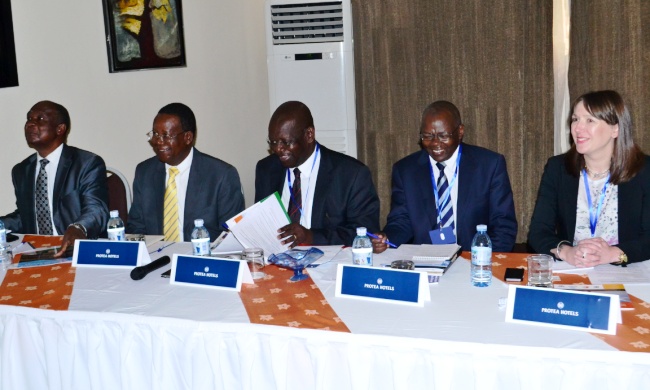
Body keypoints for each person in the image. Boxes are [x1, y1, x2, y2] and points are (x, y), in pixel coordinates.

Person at [372, 100, 517, 253]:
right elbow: (401, 221)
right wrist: (387, 238)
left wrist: (484, 263)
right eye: (427, 136)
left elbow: (503, 224)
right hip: (424, 260)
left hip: (474, 260)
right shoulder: (405, 170)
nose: (435, 143)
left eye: (443, 135)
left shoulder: (489, 165)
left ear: (460, 132)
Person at [528, 90, 649, 266]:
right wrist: (567, 252)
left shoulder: (644, 170)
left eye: (590, 120)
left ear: (615, 129)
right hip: (573, 270)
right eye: (575, 119)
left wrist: (613, 254)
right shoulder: (558, 168)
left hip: (628, 271)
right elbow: (538, 232)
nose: (578, 128)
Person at [255, 100, 380, 246]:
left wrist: (312, 237)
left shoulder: (352, 174)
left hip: (327, 263)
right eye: (273, 142)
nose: (278, 149)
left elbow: (366, 232)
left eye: (286, 142)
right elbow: (261, 222)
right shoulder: (266, 169)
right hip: (277, 262)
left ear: (309, 135)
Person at [1, 100, 109, 255]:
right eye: (29, 119)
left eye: (40, 119)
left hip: (77, 248)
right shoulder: (21, 170)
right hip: (37, 252)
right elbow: (25, 215)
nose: (30, 124)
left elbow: (96, 209)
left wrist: (78, 227)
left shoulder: (86, 163)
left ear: (60, 129)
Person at [127, 103, 244, 241]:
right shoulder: (144, 172)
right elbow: (136, 227)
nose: (158, 141)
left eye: (166, 135)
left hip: (203, 258)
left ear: (188, 137)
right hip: (157, 258)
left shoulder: (221, 175)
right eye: (155, 134)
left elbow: (230, 235)